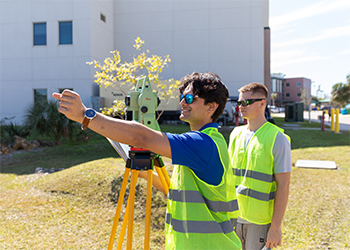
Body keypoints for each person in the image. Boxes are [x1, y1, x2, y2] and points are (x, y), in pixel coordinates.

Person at [53, 72, 242, 250]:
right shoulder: (202, 143)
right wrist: (146, 174)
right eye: (182, 97)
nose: (183, 102)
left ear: (212, 106)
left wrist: (84, 115)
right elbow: (180, 193)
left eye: (190, 98)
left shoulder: (203, 145)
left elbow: (142, 137)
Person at [228, 82, 291, 250]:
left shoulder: (277, 138)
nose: (240, 107)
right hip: (232, 216)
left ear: (262, 103)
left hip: (260, 221)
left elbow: (283, 185)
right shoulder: (235, 134)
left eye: (246, 102)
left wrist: (276, 227)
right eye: (239, 102)